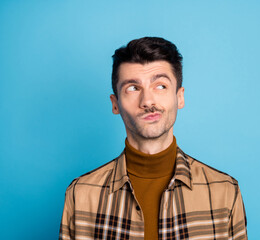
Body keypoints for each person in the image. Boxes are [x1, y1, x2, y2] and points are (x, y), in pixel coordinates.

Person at [59, 37, 247, 240]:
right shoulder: (80, 195)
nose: (148, 101)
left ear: (180, 97)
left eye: (160, 86)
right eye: (132, 88)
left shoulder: (225, 193)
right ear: (115, 104)